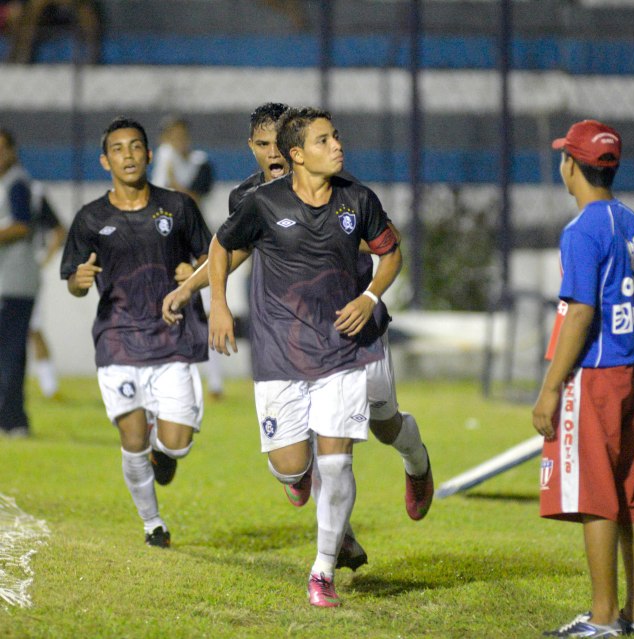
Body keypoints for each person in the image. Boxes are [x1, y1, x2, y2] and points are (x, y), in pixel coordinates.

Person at [162, 102, 434, 570]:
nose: (273, 155)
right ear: (253, 148)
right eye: (262, 145)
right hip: (290, 337)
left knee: (383, 420)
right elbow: (232, 249)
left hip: (354, 327)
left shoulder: (338, 190)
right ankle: (338, 537)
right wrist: (191, 288)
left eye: (277, 145)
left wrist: (358, 275)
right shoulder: (252, 199)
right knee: (315, 448)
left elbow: (376, 240)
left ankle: (417, 462)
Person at [206, 106, 402, 607]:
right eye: (323, 140)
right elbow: (221, 246)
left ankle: (322, 570)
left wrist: (370, 296)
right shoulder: (261, 203)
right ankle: (297, 477)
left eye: (336, 137)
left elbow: (391, 251)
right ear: (297, 155)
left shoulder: (358, 199)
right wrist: (219, 307)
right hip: (279, 351)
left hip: (340, 346)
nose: (337, 146)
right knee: (293, 466)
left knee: (336, 465)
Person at [532, 120, 634, 638]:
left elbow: (579, 313)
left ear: (570, 165)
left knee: (596, 498)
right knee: (628, 495)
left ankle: (603, 620)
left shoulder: (581, 230)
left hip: (592, 379)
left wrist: (550, 389)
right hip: (630, 374)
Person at [60, 116, 212, 548]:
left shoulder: (179, 207)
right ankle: (153, 524)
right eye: (118, 149)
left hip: (172, 335)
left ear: (148, 154)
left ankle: (164, 454)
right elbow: (72, 279)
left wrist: (194, 271)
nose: (128, 155)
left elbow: (211, 258)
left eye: (135, 147)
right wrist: (79, 281)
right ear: (105, 161)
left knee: (176, 443)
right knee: (131, 435)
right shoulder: (90, 218)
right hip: (118, 336)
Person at [151, 116, 223, 398]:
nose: (176, 140)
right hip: (165, 245)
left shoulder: (200, 163)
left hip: (197, 246)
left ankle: (215, 382)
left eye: (180, 134)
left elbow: (192, 197)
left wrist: (172, 180)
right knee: (161, 309)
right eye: (171, 135)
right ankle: (164, 375)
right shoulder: (161, 160)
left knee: (204, 313)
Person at [0, 127, 40, 437]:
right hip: (9, 280)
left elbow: (22, 225)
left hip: (15, 282)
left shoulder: (17, 183)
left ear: (13, 151)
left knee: (10, 351)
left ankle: (12, 419)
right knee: (11, 350)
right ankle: (13, 418)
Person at [28, 181, 66, 399]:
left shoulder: (33, 191)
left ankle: (49, 385)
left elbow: (58, 230)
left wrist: (43, 260)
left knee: (33, 327)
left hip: (23, 272)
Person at [6, 0, 101, 64]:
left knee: (88, 16)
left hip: (67, 13)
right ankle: (19, 57)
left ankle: (93, 59)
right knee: (17, 13)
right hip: (42, 16)